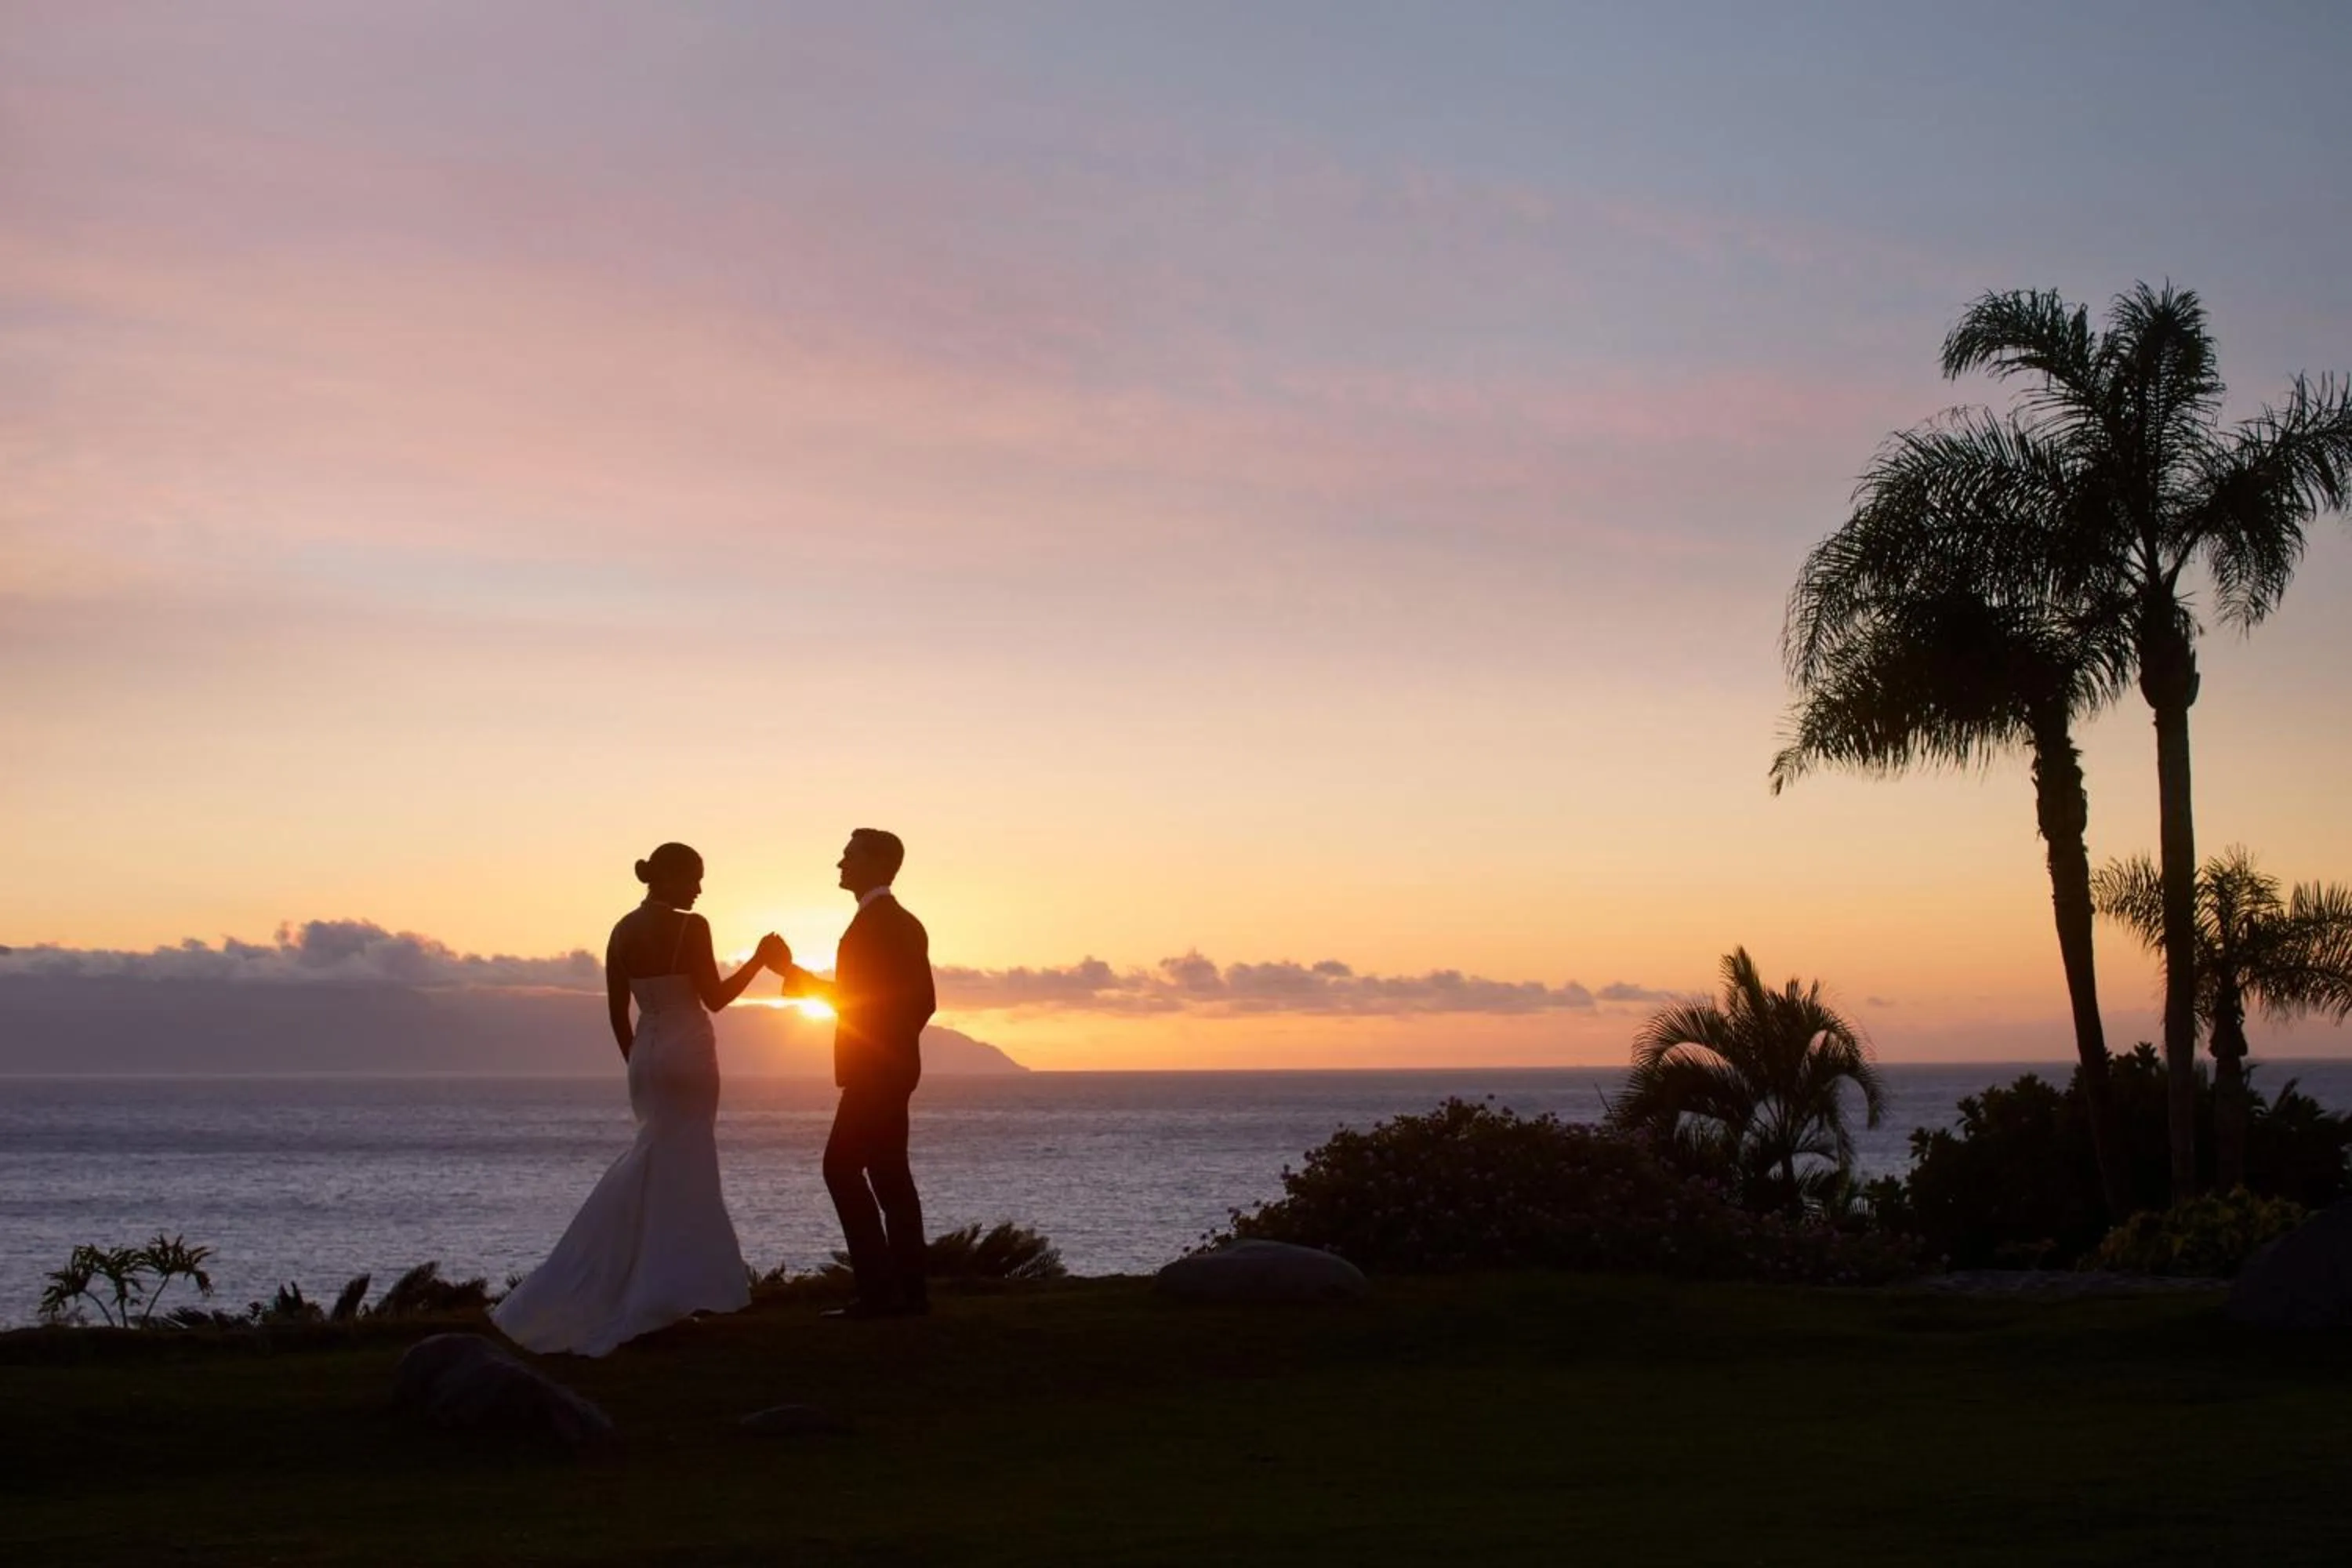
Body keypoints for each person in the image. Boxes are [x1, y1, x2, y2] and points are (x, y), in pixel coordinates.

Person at [492, 841, 786, 1356]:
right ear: (667, 878)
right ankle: (664, 1296)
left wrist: (640, 1061)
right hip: (688, 1052)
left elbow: (616, 1013)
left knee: (655, 1163)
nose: (699, 889)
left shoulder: (621, 931)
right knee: (686, 1171)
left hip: (645, 1056)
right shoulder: (692, 927)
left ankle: (648, 1289)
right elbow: (715, 998)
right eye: (693, 878)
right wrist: (760, 960)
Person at [778, 829, 935, 1318]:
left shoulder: (882, 924)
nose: (840, 863)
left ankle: (880, 1292)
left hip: (876, 1072)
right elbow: (907, 1002)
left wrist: (793, 976)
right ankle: (908, 1294)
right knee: (890, 1176)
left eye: (849, 856)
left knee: (841, 1168)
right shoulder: (893, 922)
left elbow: (879, 1000)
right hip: (889, 1069)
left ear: (875, 863)